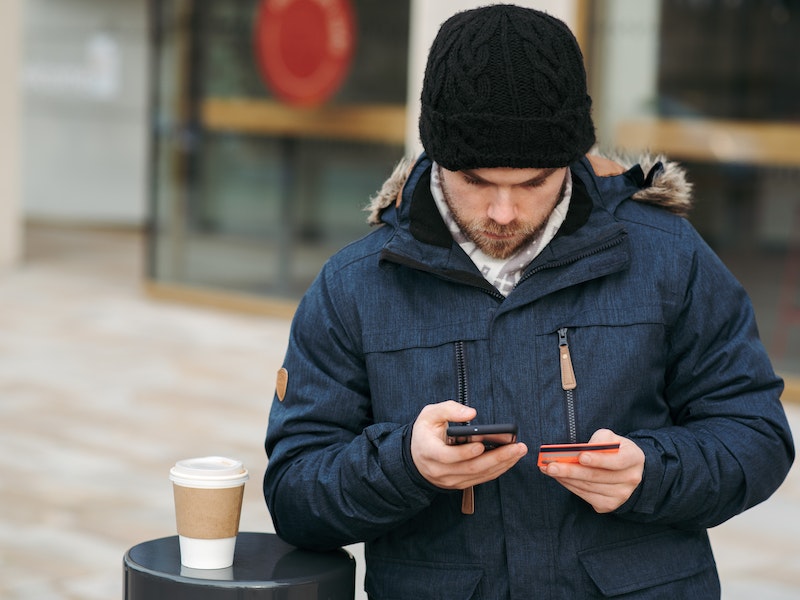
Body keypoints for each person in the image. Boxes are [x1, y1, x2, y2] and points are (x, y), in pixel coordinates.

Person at [263, 5, 794, 598]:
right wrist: (403, 465)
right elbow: (294, 493)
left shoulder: (670, 257)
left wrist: (653, 473)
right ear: (436, 156)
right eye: (477, 182)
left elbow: (757, 435)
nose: (504, 213)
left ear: (570, 159)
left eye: (534, 183)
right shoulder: (354, 284)